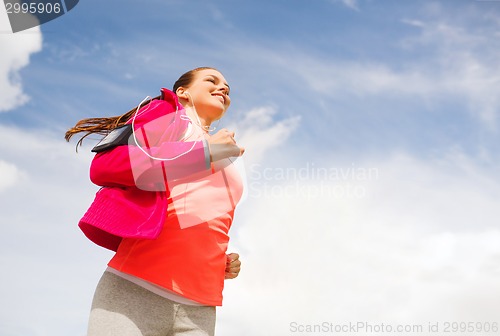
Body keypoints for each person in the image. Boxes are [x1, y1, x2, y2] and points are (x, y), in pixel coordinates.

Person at [65, 67, 245, 336]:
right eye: (212, 80)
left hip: (200, 305)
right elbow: (106, 166)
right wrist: (203, 152)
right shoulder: (170, 116)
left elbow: (201, 215)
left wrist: (219, 260)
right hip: (135, 289)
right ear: (182, 92)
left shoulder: (229, 154)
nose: (223, 88)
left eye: (227, 88)